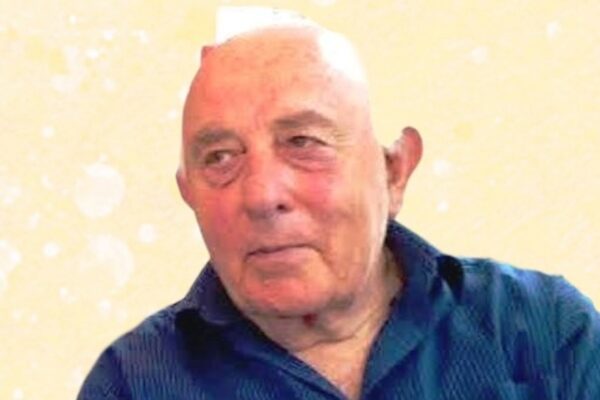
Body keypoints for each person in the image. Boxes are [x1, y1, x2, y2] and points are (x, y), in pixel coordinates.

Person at [78, 15, 600, 400]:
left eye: (303, 142)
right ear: (188, 192)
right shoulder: (134, 383)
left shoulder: (542, 332)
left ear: (394, 172)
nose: (262, 195)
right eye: (220, 158)